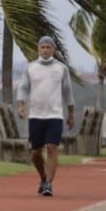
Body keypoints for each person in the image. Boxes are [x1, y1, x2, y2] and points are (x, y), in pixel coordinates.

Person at [15, 35, 74, 197]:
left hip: (55, 115)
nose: (46, 50)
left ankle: (48, 183)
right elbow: (23, 88)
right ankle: (42, 177)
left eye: (49, 47)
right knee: (35, 152)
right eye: (43, 47)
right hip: (35, 114)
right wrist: (21, 105)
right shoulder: (30, 67)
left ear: (53, 50)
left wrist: (70, 113)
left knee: (52, 147)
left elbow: (68, 91)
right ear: (38, 49)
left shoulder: (61, 68)